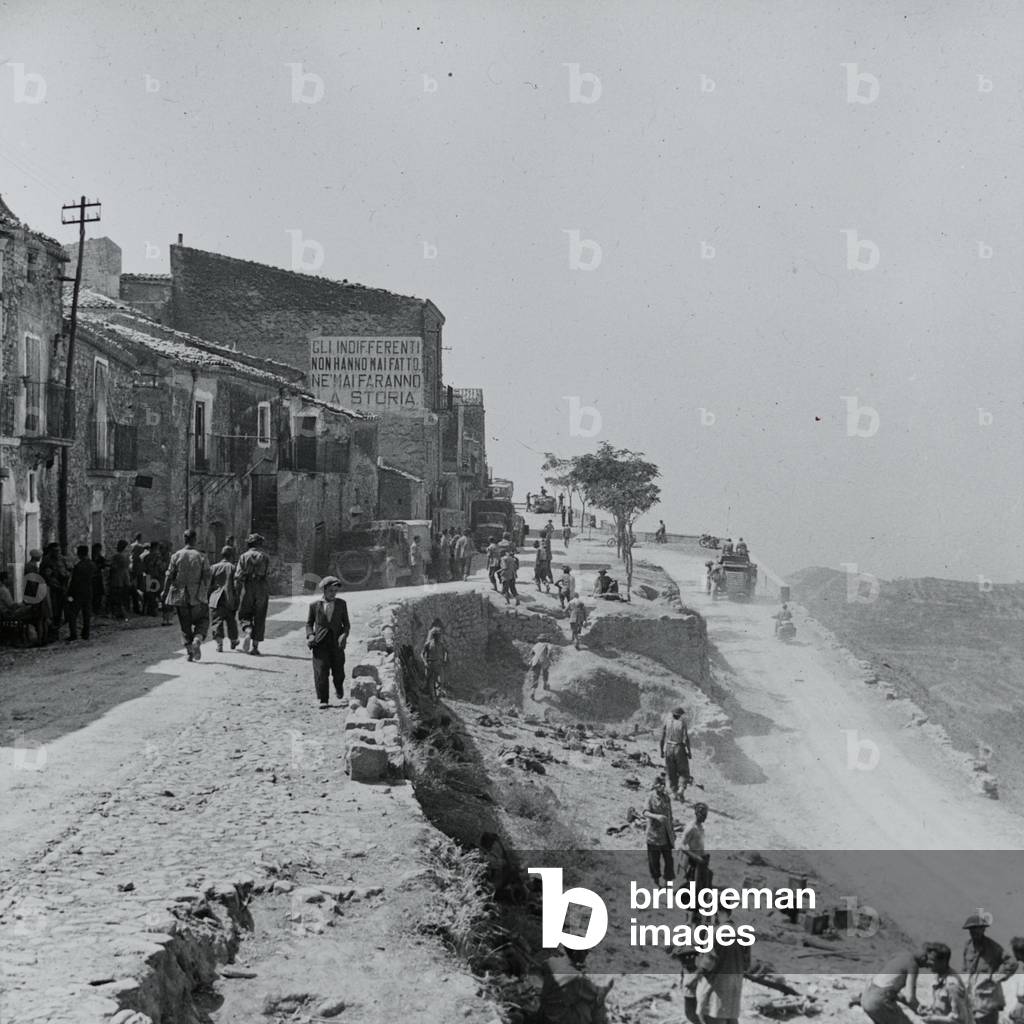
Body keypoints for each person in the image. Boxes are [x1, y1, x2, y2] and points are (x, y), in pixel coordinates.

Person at [687, 905, 752, 1024]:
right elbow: (747, 965)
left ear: (716, 913)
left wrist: (694, 978)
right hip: (734, 989)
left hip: (715, 990)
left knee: (707, 1016)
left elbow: (708, 961)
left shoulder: (714, 933)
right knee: (731, 1019)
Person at [162, 529, 211, 662]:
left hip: (179, 594)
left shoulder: (176, 556)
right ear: (195, 539)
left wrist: (165, 591)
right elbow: (207, 576)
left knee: (185, 625)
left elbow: (169, 576)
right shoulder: (201, 556)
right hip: (197, 594)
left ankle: (189, 651)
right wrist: (206, 590)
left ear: (184, 540)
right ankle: (197, 639)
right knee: (203, 620)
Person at [962, 913, 1018, 1024]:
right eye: (971, 930)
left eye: (977, 930)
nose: (974, 933)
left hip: (988, 997)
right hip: (971, 995)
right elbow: (965, 967)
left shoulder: (993, 947)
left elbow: (1012, 963)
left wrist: (996, 977)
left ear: (983, 930)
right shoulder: (968, 946)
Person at [858, 946, 933, 1024]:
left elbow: (888, 990)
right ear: (923, 958)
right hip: (878, 1002)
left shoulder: (900, 955)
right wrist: (919, 1009)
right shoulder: (913, 965)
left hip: (866, 998)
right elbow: (910, 998)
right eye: (928, 963)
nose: (927, 967)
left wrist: (915, 1006)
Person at [306, 575, 350, 708]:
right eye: (331, 591)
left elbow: (346, 624)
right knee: (321, 671)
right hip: (320, 643)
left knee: (338, 671)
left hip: (336, 644)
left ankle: (339, 686)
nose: (333, 594)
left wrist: (344, 636)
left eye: (335, 591)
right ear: (324, 590)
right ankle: (323, 699)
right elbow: (309, 624)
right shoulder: (314, 606)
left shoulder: (341, 604)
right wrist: (310, 636)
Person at [236, 533, 271, 655]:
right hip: (261, 587)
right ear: (260, 544)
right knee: (260, 616)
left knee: (244, 614)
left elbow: (238, 576)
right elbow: (268, 573)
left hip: (248, 587)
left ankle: (248, 631)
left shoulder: (243, 556)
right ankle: (255, 647)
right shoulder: (265, 557)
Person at [922, 943, 971, 1024]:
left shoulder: (952, 985)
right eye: (928, 959)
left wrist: (933, 1019)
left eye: (932, 960)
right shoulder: (939, 977)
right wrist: (929, 1008)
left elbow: (960, 1019)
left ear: (943, 962)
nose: (928, 962)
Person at [644, 774, 675, 886]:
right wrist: (656, 816)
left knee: (669, 860)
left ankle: (668, 883)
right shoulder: (650, 797)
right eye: (660, 784)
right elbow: (645, 812)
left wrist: (673, 832)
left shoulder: (667, 798)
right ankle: (656, 882)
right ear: (655, 785)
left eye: (663, 784)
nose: (662, 787)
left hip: (666, 835)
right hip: (653, 835)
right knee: (654, 861)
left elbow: (670, 816)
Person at [207, 546, 239, 652]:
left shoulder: (213, 567)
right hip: (228, 598)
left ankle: (219, 644)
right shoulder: (233, 567)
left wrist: (208, 597)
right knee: (231, 620)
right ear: (231, 556)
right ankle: (233, 640)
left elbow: (209, 584)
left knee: (217, 621)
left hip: (215, 598)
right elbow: (236, 585)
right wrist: (237, 599)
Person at [680, 802, 712, 908]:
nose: (705, 817)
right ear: (697, 814)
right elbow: (682, 846)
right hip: (693, 860)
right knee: (696, 887)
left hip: (702, 860)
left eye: (706, 815)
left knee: (706, 880)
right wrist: (696, 857)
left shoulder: (701, 827)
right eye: (703, 815)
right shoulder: (691, 828)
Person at [65, 544, 97, 641]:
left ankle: (73, 634)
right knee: (86, 613)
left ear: (79, 554)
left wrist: (69, 593)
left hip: (78, 592)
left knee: (72, 613)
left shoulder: (78, 566)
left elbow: (74, 581)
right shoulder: (92, 565)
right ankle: (86, 633)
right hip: (88, 591)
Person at [660, 706, 692, 800]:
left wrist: (661, 750)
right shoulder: (682, 723)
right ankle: (681, 790)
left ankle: (673, 793)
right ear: (680, 715)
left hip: (669, 747)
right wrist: (689, 751)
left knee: (671, 771)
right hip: (679, 747)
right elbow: (686, 738)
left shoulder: (667, 722)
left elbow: (662, 738)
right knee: (683, 770)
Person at [421, 625, 449, 699]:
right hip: (430, 664)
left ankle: (440, 692)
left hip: (439, 664)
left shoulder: (441, 644)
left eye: (439, 635)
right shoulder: (428, 644)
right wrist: (425, 662)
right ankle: (431, 695)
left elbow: (446, 652)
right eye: (436, 635)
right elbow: (422, 654)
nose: (438, 637)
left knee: (441, 680)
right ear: (433, 636)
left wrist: (445, 660)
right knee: (429, 680)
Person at [108, 539, 132, 622]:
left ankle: (118, 613)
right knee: (123, 597)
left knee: (117, 597)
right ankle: (123, 613)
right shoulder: (125, 556)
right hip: (124, 578)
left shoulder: (116, 556)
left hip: (117, 578)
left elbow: (112, 567)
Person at [128, 532, 146, 613]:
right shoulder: (140, 547)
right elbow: (141, 558)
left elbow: (131, 556)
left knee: (132, 587)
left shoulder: (131, 546)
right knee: (140, 588)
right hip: (138, 569)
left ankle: (134, 606)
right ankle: (139, 606)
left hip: (132, 568)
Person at [90, 542, 107, 615]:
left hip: (98, 577)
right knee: (93, 593)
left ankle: (98, 609)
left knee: (99, 594)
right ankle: (93, 609)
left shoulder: (101, 558)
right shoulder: (91, 557)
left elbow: (104, 565)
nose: (98, 550)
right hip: (92, 578)